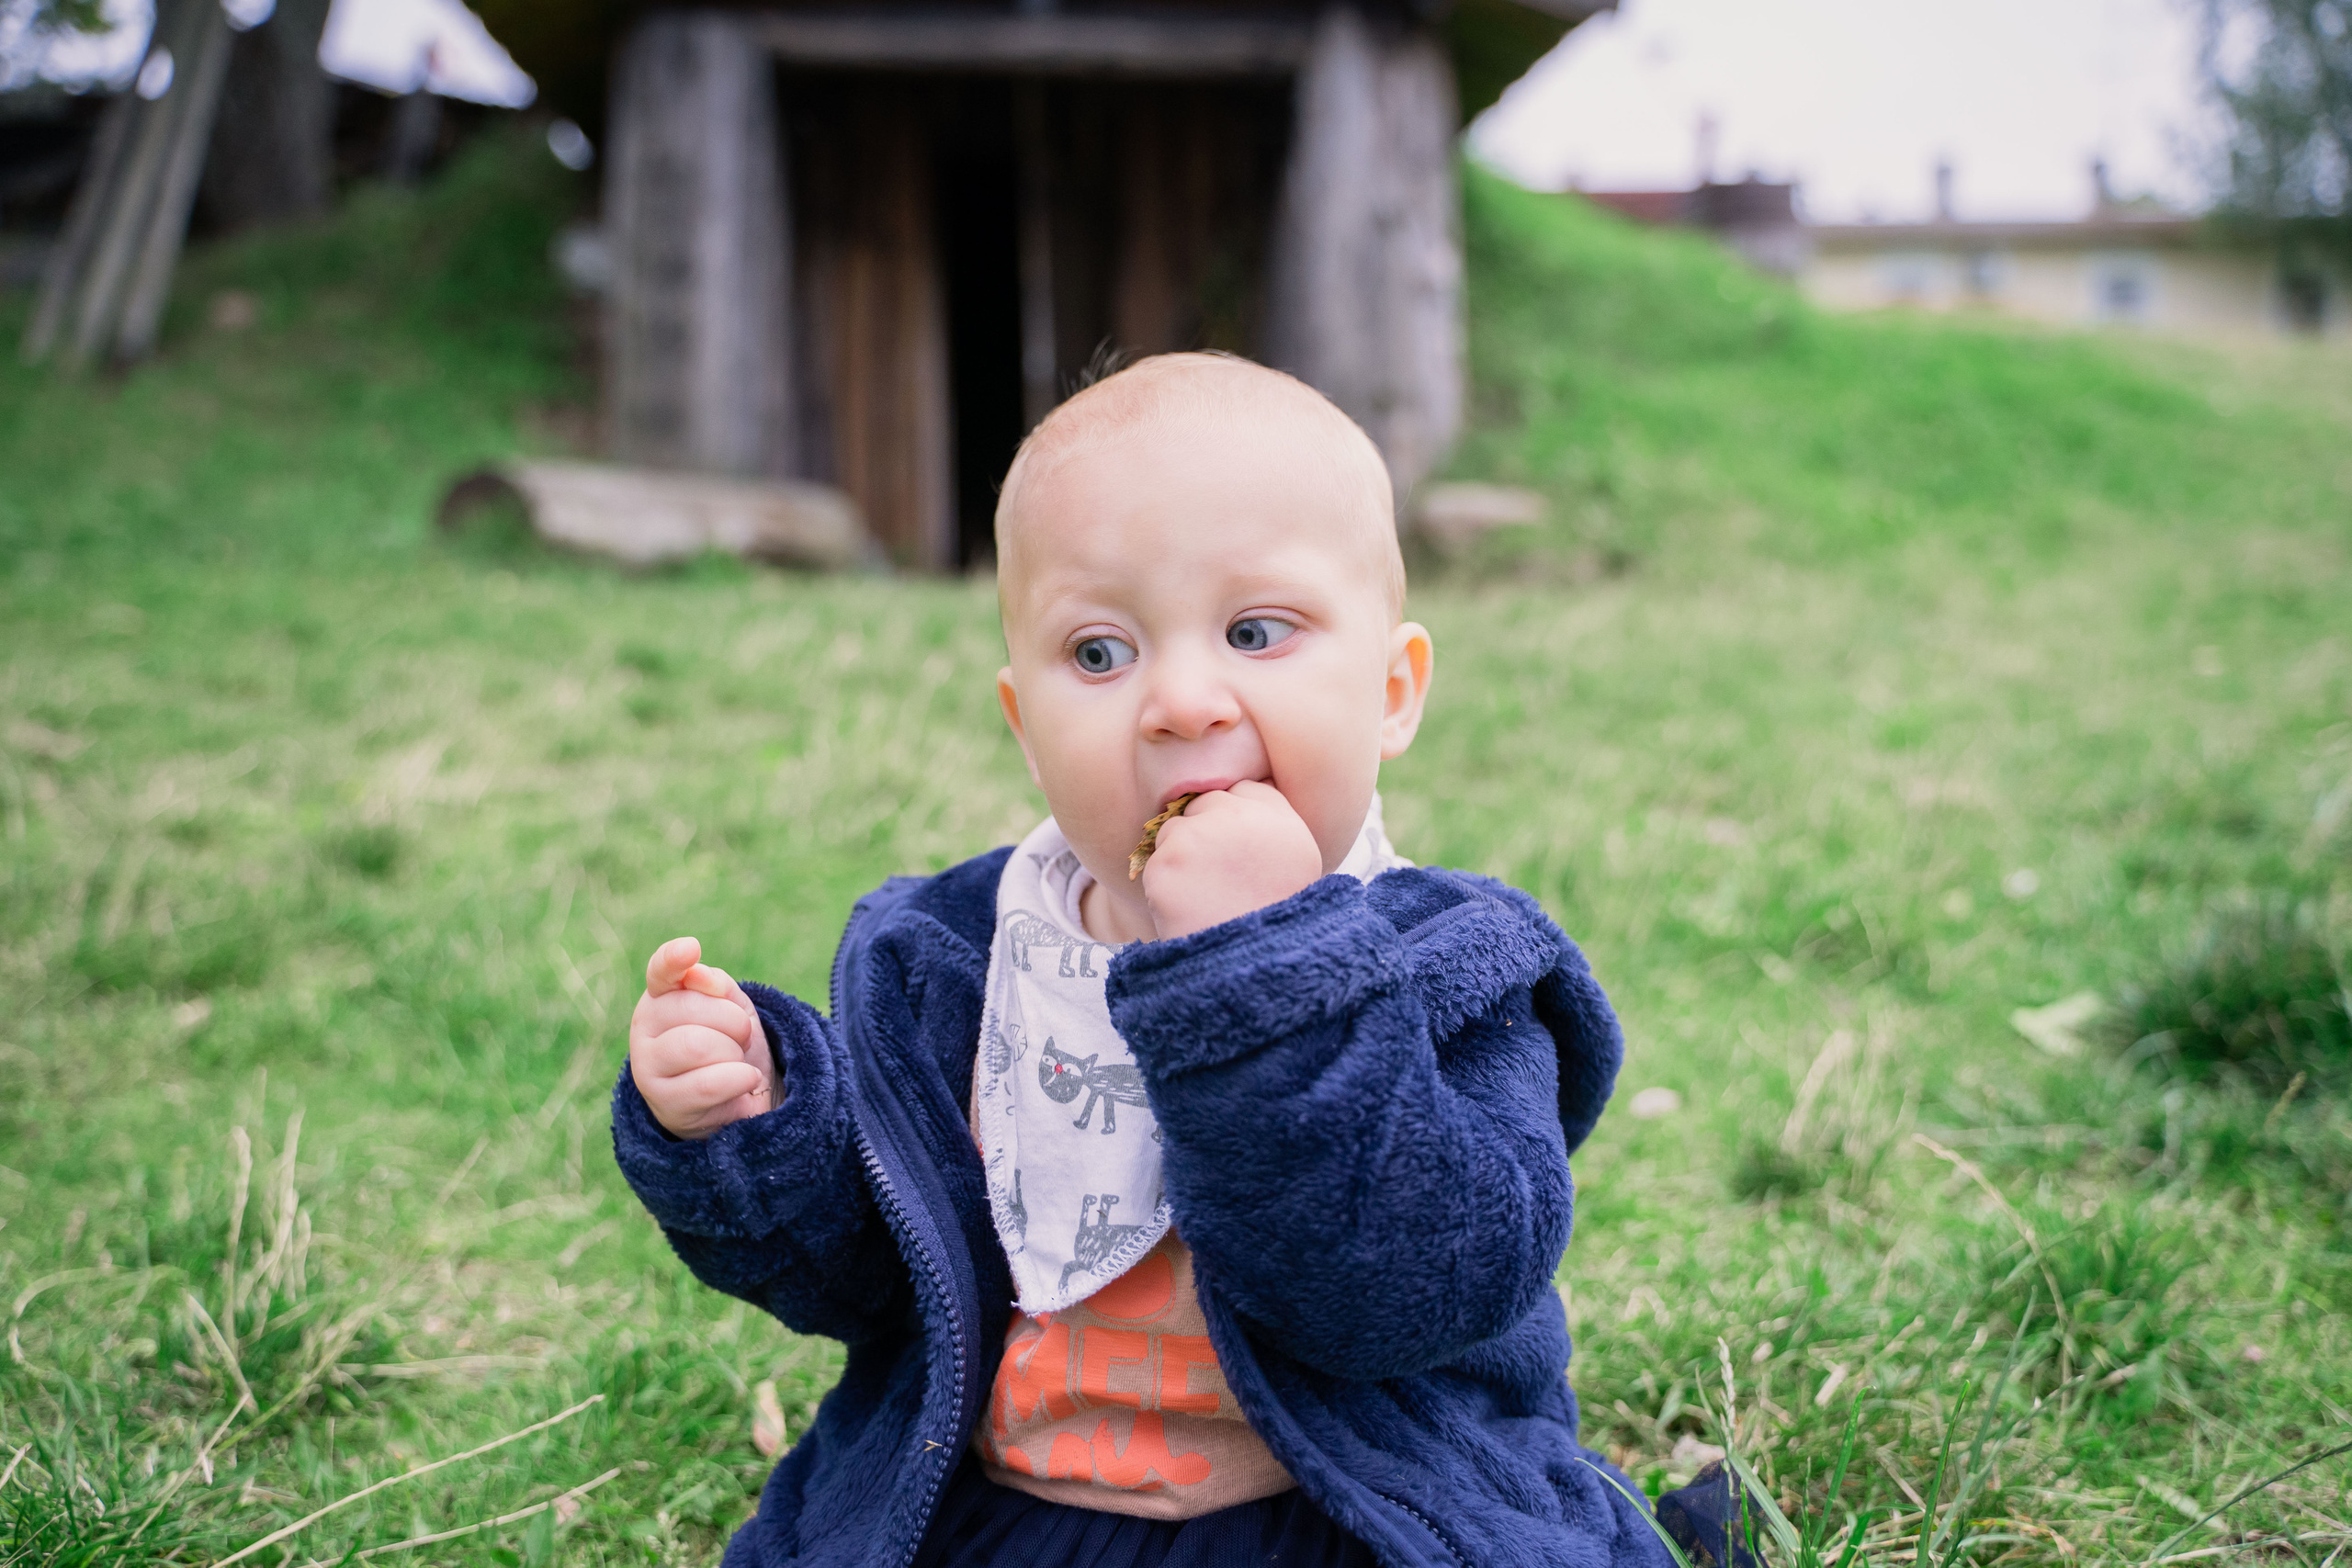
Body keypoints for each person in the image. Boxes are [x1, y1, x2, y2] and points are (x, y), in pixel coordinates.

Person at [614, 354, 1684, 1568]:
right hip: (1010, 1516)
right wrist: (750, 1127)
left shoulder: (1457, 967)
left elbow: (1409, 1293)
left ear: (1392, 693)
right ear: (1026, 730)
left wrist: (1264, 962)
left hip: (1346, 1515)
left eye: (1255, 630)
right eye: (1101, 654)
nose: (1181, 701)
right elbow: (866, 1282)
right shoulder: (954, 957)